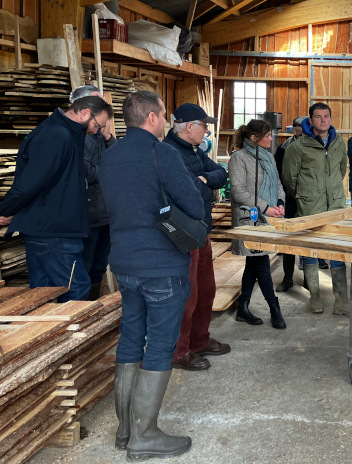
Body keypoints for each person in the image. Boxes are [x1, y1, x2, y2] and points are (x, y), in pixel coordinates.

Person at [99, 91, 202, 460]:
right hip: (161, 265)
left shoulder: (109, 157)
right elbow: (191, 203)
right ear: (153, 118)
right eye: (163, 114)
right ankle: (145, 435)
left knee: (130, 340)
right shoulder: (162, 153)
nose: (164, 120)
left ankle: (126, 431)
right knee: (159, 345)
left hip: (124, 263)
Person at [0, 95, 112, 302]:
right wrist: (5, 210)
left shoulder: (67, 133)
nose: (97, 131)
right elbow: (31, 182)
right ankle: (71, 336)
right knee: (75, 289)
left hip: (52, 228)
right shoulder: (57, 136)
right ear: (84, 113)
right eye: (98, 125)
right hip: (53, 232)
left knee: (44, 293)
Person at [164, 103, 231, 372]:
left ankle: (199, 340)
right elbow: (190, 193)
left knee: (206, 290)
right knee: (187, 295)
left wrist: (204, 180)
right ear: (189, 127)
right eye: (203, 126)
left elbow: (221, 174)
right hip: (184, 232)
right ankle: (180, 351)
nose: (206, 131)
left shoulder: (194, 150)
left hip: (201, 230)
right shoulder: (169, 153)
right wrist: (204, 184)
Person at [281, 103, 352, 317]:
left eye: (326, 116)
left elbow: (340, 169)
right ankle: (314, 296)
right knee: (311, 252)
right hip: (310, 207)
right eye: (318, 117)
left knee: (337, 251)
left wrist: (332, 190)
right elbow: (289, 177)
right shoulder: (298, 147)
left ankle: (342, 301)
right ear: (311, 121)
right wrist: (305, 195)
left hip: (335, 206)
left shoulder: (338, 144)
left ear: (331, 119)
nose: (323, 120)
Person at [229, 119, 287, 329]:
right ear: (254, 138)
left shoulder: (268, 157)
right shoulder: (239, 158)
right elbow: (238, 191)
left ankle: (243, 306)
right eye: (267, 136)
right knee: (261, 262)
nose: (271, 139)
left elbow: (278, 183)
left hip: (268, 215)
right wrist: (265, 207)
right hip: (249, 216)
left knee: (253, 263)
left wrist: (279, 203)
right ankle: (274, 308)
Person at [71, 85, 116, 301]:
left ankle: (93, 309)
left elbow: (118, 162)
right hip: (89, 214)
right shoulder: (81, 136)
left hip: (106, 212)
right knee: (84, 269)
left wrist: (109, 139)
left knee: (98, 266)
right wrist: (109, 172)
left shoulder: (100, 134)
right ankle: (83, 312)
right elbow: (86, 172)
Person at [274, 116, 304, 292]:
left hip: (309, 200)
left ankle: (309, 278)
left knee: (308, 240)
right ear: (295, 130)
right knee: (288, 240)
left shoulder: (312, 147)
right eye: (300, 129)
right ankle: (287, 277)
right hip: (290, 199)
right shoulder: (283, 149)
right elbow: (279, 175)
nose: (304, 132)